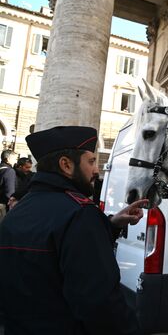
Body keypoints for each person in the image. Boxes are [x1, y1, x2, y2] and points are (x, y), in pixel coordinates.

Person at [0, 126, 148, 334]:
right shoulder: (80, 215)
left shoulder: (15, 214)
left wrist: (111, 223)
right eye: (91, 161)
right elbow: (102, 307)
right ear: (66, 165)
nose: (97, 170)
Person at [0, 149, 17, 223]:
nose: (16, 161)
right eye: (14, 159)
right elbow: (10, 192)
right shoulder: (10, 171)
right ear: (8, 159)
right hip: (3, 205)